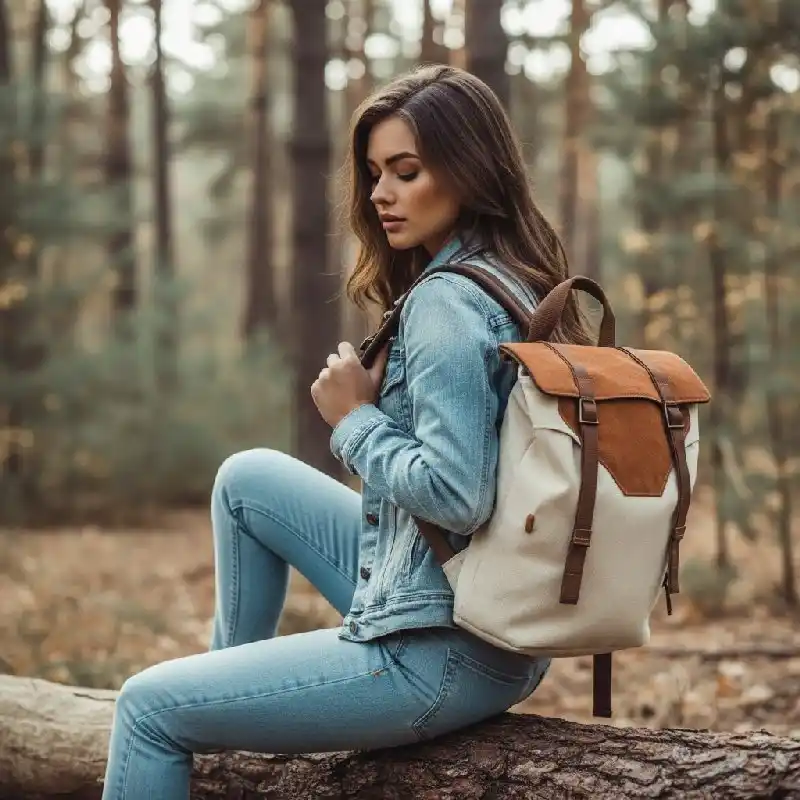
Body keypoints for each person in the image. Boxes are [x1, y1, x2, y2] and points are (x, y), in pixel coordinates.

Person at [101, 64, 590, 799]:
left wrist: (355, 420)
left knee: (145, 709)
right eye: (373, 173)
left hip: (439, 653)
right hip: (494, 622)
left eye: (406, 172)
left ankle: (196, 720)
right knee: (247, 480)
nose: (380, 194)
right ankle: (224, 700)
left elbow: (457, 497)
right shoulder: (515, 278)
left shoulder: (447, 303)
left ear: (469, 171)